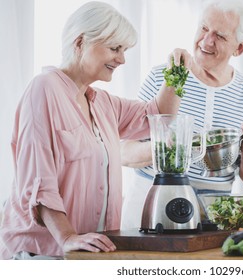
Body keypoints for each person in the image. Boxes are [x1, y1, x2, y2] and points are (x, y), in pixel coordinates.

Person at [0, 1, 181, 260]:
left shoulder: (103, 103)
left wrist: (177, 72)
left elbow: (158, 115)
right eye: (114, 48)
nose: (122, 59)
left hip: (87, 253)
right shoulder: (43, 89)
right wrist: (67, 237)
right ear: (80, 42)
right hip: (43, 254)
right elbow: (39, 181)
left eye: (124, 50)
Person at [120, 0, 243, 230]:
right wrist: (166, 148)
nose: (206, 41)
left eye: (220, 36)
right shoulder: (165, 76)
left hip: (215, 216)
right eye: (203, 28)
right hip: (151, 207)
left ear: (239, 47)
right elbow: (124, 151)